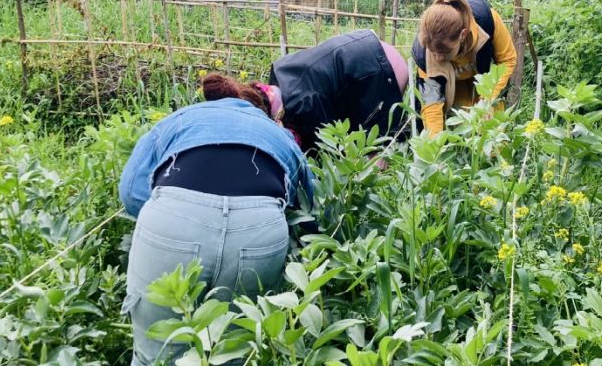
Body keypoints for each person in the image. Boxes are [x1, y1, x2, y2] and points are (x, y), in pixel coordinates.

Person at [118, 73, 314, 366]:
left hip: (173, 219)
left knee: (155, 355)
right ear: (259, 109)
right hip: (258, 229)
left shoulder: (181, 118)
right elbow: (306, 204)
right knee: (234, 352)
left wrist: (177, 217)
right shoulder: (278, 134)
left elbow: (131, 191)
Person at [267, 29, 409, 151]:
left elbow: (328, 144)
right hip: (365, 47)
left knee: (372, 147)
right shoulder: (278, 77)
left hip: (381, 69)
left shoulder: (302, 104)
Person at [412, 0, 517, 136]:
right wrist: (435, 146)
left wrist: (489, 98)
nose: (438, 58)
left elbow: (507, 59)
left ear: (462, 35)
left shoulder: (486, 21)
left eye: (444, 52)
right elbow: (432, 105)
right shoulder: (423, 53)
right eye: (433, 51)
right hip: (452, 85)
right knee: (459, 130)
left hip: (486, 80)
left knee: (492, 131)